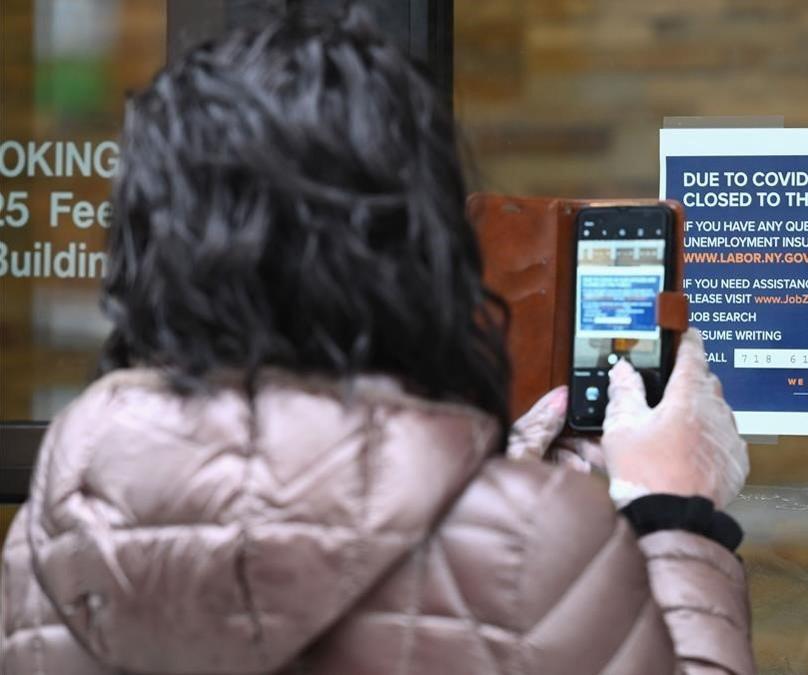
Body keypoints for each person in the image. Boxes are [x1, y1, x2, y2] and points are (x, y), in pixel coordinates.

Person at [0, 5, 753, 675]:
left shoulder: (48, 534)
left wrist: (471, 489)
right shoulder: (532, 538)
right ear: (413, 244)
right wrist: (673, 508)